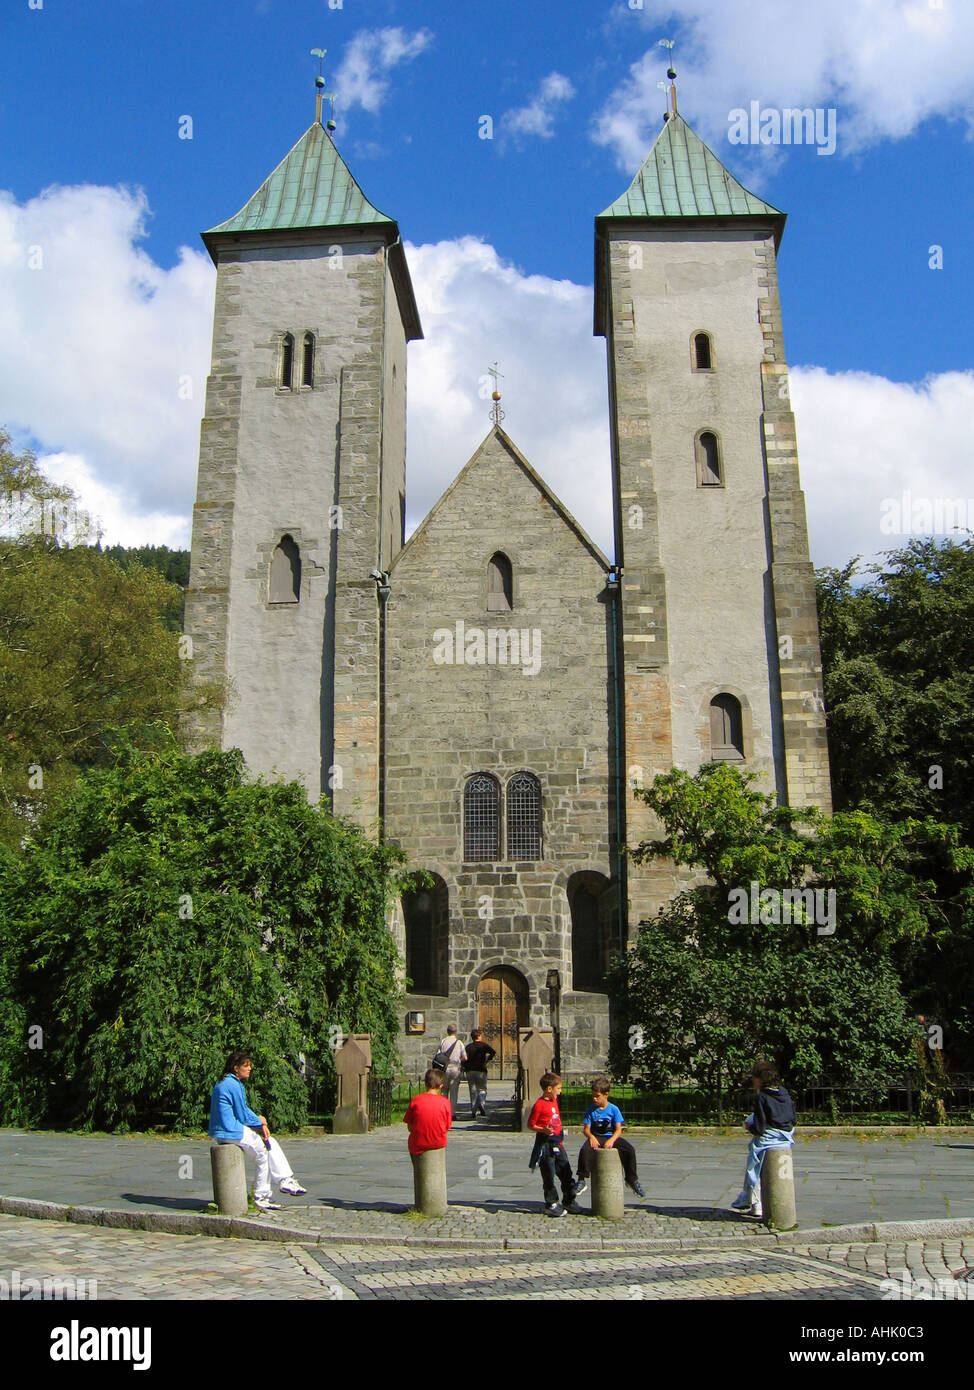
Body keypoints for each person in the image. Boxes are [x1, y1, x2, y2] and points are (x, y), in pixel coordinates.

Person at [208, 1050, 307, 1211]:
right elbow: (242, 1114)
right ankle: (263, 1195)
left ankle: (285, 1180)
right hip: (231, 1131)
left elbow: (243, 1111)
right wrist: (260, 1122)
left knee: (269, 1141)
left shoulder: (225, 1082)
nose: (250, 1068)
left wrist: (260, 1124)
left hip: (225, 1131)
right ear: (236, 1068)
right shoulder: (233, 1084)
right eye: (246, 1066)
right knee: (262, 1153)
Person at [730, 1060, 796, 1218]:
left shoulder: (762, 1098)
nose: (752, 1080)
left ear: (761, 1079)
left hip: (768, 1138)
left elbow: (759, 1129)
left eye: (754, 1077)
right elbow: (792, 1118)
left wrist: (748, 1127)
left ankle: (754, 1202)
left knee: (754, 1165)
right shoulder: (784, 1092)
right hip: (786, 1136)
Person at [573, 1077, 645, 1198]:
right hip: (596, 1137)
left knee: (629, 1150)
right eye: (593, 1096)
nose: (594, 1099)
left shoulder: (613, 1109)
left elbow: (618, 1130)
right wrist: (591, 1137)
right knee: (585, 1151)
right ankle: (581, 1179)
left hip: (610, 1137)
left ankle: (632, 1179)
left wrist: (612, 1140)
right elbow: (586, 1129)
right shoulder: (591, 1111)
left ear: (606, 1095)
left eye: (597, 1096)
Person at [527, 1071, 579, 1217]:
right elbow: (531, 1124)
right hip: (546, 1145)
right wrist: (543, 1129)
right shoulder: (539, 1105)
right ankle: (551, 1203)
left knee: (565, 1171)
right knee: (549, 1173)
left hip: (558, 1142)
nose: (560, 1092)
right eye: (559, 1088)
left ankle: (569, 1199)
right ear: (549, 1089)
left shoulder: (553, 1100)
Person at [403, 1067, 453, 1159]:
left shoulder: (416, 1100)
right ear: (441, 1086)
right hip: (438, 1143)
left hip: (417, 1143)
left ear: (425, 1083)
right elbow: (447, 1126)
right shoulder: (445, 1102)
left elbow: (410, 1126)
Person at [433, 1024, 467, 1119]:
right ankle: (452, 1113)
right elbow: (465, 1057)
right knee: (454, 1091)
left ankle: (443, 1112)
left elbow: (438, 1055)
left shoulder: (443, 1041)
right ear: (455, 1032)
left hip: (444, 1069)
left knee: (444, 1091)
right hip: (455, 1068)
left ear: (447, 1032)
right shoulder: (459, 1043)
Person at [464, 1028, 496, 1119]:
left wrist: (466, 1067)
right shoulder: (483, 1046)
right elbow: (493, 1052)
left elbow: (464, 1058)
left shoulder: (468, 1047)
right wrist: (487, 1060)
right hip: (481, 1070)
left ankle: (473, 1111)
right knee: (482, 1089)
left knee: (473, 1091)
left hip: (470, 1071)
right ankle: (481, 1103)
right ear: (478, 1036)